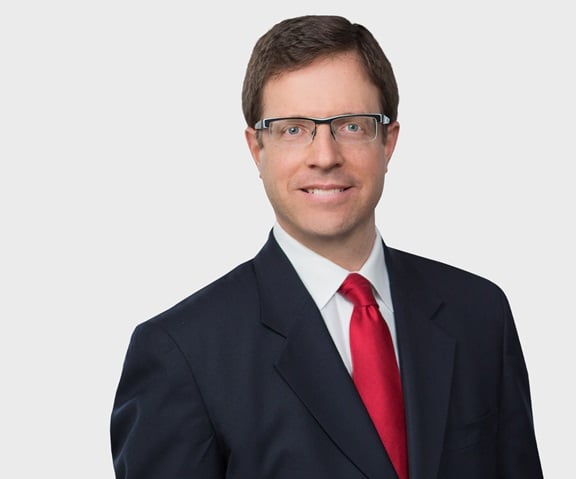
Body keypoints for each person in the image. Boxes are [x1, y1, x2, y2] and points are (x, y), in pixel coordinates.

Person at [110, 14, 544, 478]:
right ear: (257, 149)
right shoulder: (181, 353)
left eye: (352, 126)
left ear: (388, 142)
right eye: (293, 129)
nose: (325, 156)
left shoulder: (480, 315)